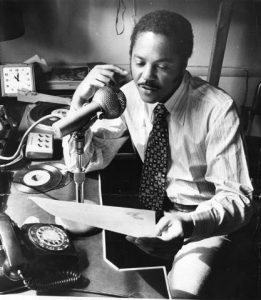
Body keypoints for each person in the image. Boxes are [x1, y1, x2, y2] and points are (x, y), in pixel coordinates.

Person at [63, 10, 254, 299]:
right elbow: (87, 162)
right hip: (150, 215)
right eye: (139, 63)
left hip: (201, 222)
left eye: (162, 66)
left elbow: (238, 200)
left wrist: (188, 223)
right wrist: (79, 104)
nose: (146, 77)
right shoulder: (128, 95)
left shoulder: (218, 110)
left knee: (181, 296)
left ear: (183, 64)